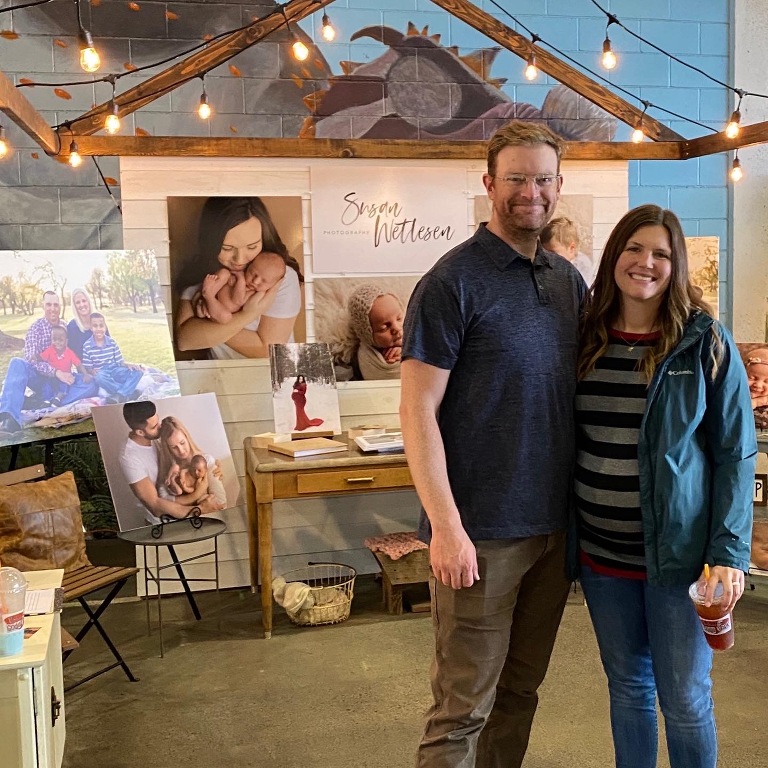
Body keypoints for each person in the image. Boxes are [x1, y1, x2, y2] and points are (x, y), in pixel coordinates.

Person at [400, 120, 586, 767]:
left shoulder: (568, 283)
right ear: (489, 185)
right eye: (516, 179)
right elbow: (417, 409)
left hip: (554, 533)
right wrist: (446, 529)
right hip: (481, 537)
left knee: (520, 694)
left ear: (558, 187)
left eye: (542, 179)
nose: (529, 192)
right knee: (461, 710)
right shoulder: (452, 282)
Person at [574, 204, 756, 768]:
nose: (645, 263)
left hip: (682, 562)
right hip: (603, 559)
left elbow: (734, 454)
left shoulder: (705, 342)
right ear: (614, 256)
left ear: (676, 266)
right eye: (634, 248)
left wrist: (729, 552)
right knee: (628, 689)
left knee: (684, 700)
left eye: (661, 253)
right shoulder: (587, 336)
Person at [175, 196, 304, 359]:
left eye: (252, 247)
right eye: (227, 248)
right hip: (219, 378)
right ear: (211, 243)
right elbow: (184, 340)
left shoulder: (277, 275)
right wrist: (248, 315)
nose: (239, 260)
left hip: (270, 378)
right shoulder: (202, 278)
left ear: (263, 240)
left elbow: (268, 351)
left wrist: (208, 322)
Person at [119, 401, 225, 526]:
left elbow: (189, 451)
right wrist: (200, 508)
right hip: (161, 524)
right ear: (140, 432)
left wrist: (213, 464)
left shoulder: (157, 437)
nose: (159, 427)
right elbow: (156, 505)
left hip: (190, 518)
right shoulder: (129, 457)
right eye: (154, 427)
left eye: (157, 421)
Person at [0, 290, 70, 434]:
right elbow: (31, 358)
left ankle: (34, 401)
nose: (52, 308)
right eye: (48, 304)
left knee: (84, 383)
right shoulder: (36, 328)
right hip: (39, 377)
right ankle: (10, 418)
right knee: (17, 363)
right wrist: (55, 372)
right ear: (43, 306)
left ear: (60, 306)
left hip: (59, 381)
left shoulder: (65, 326)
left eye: (56, 305)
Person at [194, 250, 287, 324]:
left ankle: (208, 296)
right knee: (224, 273)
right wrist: (231, 278)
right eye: (252, 273)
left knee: (226, 317)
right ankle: (205, 299)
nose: (255, 281)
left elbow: (237, 300)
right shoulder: (240, 274)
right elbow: (227, 278)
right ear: (249, 266)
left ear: (272, 285)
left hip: (218, 309)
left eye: (264, 281)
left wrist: (241, 279)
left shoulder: (255, 294)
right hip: (216, 292)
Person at [157, 416, 227, 508]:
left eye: (182, 443)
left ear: (187, 438)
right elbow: (164, 499)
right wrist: (196, 495)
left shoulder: (206, 461)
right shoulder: (171, 471)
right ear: (167, 449)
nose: (181, 451)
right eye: (174, 447)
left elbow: (221, 502)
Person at [345, 283, 404, 380]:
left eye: (399, 318)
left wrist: (406, 351)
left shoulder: (414, 337)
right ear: (368, 335)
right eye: (385, 327)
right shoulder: (367, 357)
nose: (397, 328)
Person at [82, 313, 143, 400]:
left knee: (138, 372)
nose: (98, 329)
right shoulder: (87, 346)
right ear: (91, 328)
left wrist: (130, 365)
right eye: (95, 326)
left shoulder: (112, 342)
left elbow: (120, 362)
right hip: (102, 373)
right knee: (99, 378)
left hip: (115, 369)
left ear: (105, 327)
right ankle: (127, 394)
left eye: (101, 326)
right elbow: (88, 368)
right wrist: (92, 371)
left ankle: (120, 395)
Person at [39, 325, 98, 406]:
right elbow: (41, 357)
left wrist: (85, 374)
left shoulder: (69, 353)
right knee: (47, 386)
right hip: (52, 377)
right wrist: (35, 357)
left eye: (60, 340)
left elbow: (79, 364)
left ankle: (58, 399)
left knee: (64, 387)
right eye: (54, 339)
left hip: (66, 378)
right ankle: (46, 401)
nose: (57, 342)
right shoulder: (50, 350)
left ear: (66, 341)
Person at [541, 216, 596, 285]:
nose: (547, 257)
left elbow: (581, 290)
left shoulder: (581, 265)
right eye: (544, 253)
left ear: (571, 248)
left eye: (553, 253)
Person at [67, 287, 107, 359]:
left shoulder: (99, 320)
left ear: (88, 301)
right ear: (74, 306)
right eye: (78, 302)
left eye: (84, 301)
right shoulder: (72, 327)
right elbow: (71, 355)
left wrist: (124, 363)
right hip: (85, 368)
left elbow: (110, 345)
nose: (82, 305)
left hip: (106, 365)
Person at [739, 346, 768, 430]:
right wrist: (755, 402)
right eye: (752, 378)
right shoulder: (736, 394)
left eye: (766, 381)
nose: (758, 385)